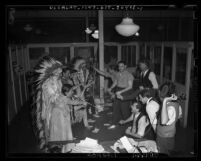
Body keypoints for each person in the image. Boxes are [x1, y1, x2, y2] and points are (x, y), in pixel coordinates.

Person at [156, 82, 182, 155]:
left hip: (164, 137)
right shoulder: (176, 104)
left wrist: (164, 101)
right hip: (169, 134)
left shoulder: (169, 107)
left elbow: (164, 122)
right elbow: (179, 115)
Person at [107, 61, 134, 129]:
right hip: (118, 90)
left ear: (125, 66)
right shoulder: (118, 74)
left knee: (125, 110)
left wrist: (120, 92)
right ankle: (114, 123)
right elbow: (116, 82)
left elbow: (130, 86)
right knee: (115, 108)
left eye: (122, 66)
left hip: (125, 92)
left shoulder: (129, 75)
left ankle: (128, 126)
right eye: (119, 66)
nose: (120, 68)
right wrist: (110, 88)